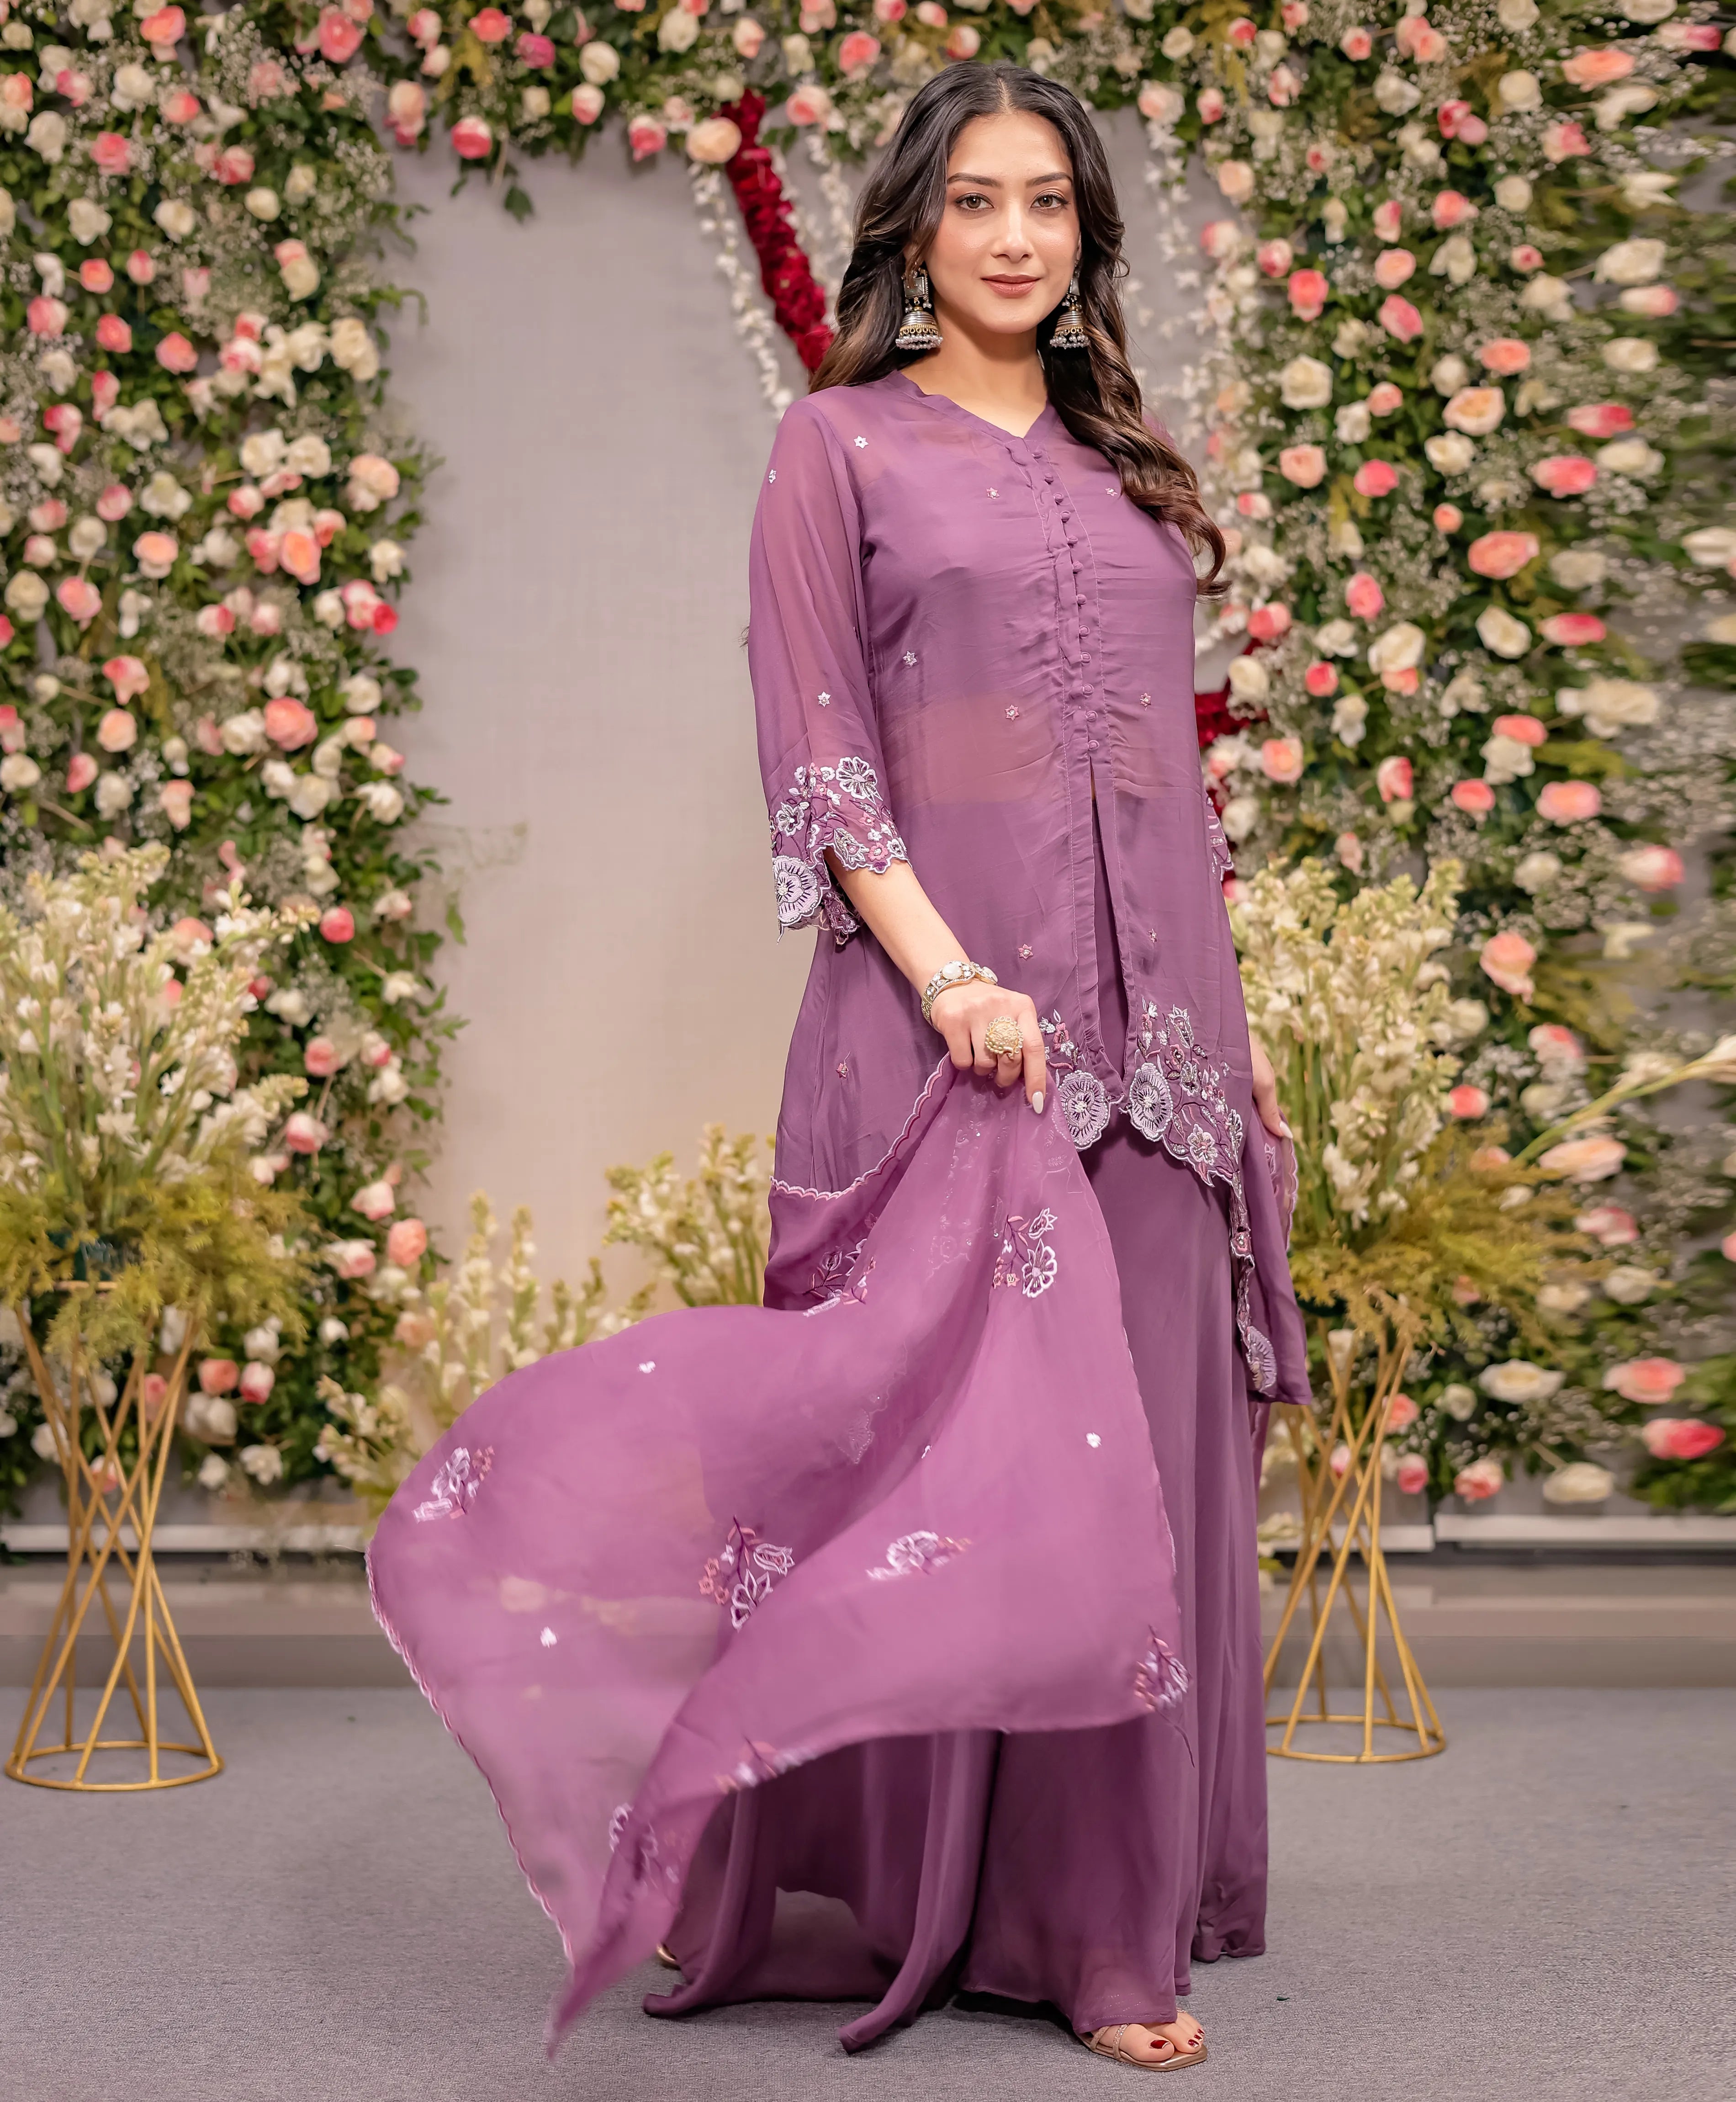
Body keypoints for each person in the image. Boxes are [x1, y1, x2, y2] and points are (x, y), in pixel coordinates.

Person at [367, 58, 1307, 2077]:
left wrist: (1218, 1037)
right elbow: (825, 762)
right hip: (941, 1044)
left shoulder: (1127, 470)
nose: (1011, 237)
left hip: (1159, 1060)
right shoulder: (837, 452)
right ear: (907, 228)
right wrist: (956, 976)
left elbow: (1153, 771)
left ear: (1083, 238)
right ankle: (906, 1893)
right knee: (932, 1484)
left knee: (1123, 1483)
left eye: (1047, 202)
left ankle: (1103, 1925)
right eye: (973, 200)